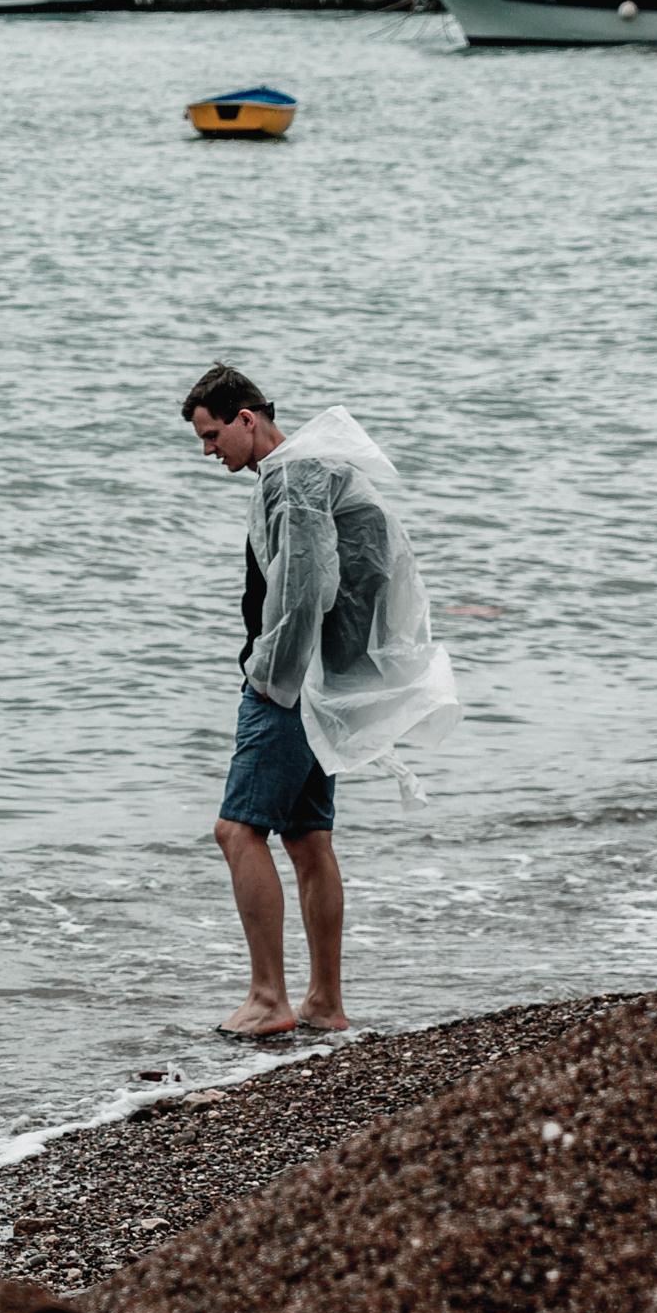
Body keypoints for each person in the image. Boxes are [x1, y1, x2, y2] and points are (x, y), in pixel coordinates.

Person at [181, 363, 458, 1039]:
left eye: (213, 436)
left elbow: (306, 587)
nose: (208, 452)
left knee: (237, 830)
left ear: (247, 419)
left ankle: (268, 1000)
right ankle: (324, 1004)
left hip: (291, 685)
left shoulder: (292, 477)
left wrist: (270, 681)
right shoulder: (317, 467)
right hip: (323, 684)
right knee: (307, 839)